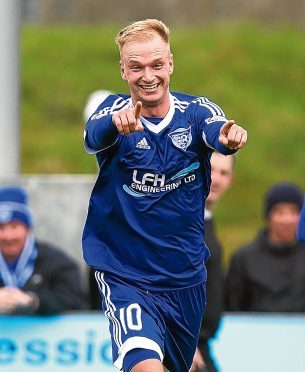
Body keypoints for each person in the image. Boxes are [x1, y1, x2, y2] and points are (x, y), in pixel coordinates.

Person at [82, 19, 247, 372]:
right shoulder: (114, 112)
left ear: (170, 63)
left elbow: (217, 130)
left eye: (156, 64)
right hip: (126, 274)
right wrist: (115, 124)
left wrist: (228, 139)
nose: (148, 75)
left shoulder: (197, 111)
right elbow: (93, 136)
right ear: (123, 70)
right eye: (136, 66)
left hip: (184, 278)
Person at [0, 186, 84, 315]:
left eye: (15, 226)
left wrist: (33, 301)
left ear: (27, 229)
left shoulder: (57, 262)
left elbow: (76, 301)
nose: (8, 236)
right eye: (1, 227)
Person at [225, 182, 305, 312]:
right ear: (268, 215)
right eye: (279, 212)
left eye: (294, 212)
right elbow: (232, 307)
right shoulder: (244, 258)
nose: (287, 219)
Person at [192, 152, 235, 372]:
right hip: (184, 347)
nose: (216, 179)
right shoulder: (180, 221)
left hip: (201, 345)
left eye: (224, 173)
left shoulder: (207, 222)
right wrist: (178, 340)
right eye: (211, 169)